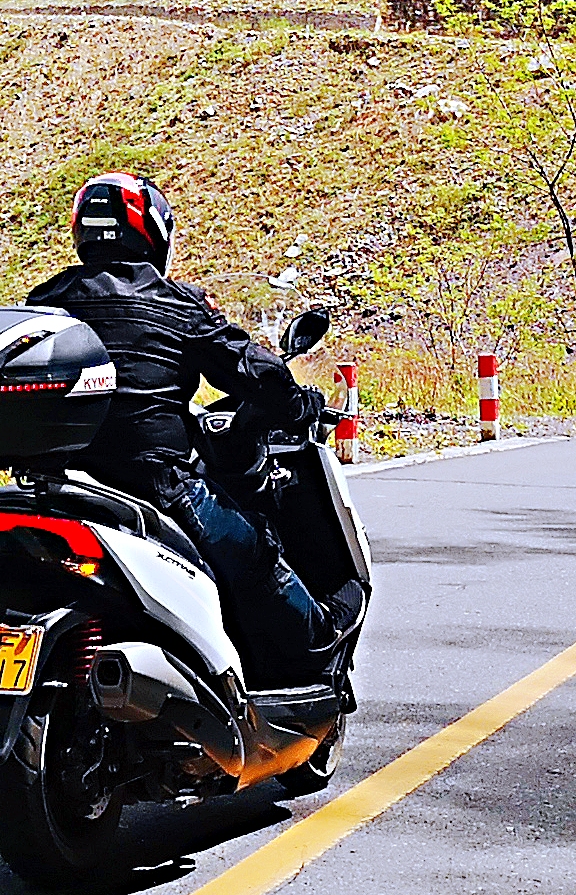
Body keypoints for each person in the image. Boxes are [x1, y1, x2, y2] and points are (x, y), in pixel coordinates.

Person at [25, 172, 358, 682]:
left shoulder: (44, 301)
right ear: (153, 232)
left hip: (50, 485)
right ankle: (313, 640)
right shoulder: (173, 303)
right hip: (152, 486)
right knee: (253, 554)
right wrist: (298, 405)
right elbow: (255, 371)